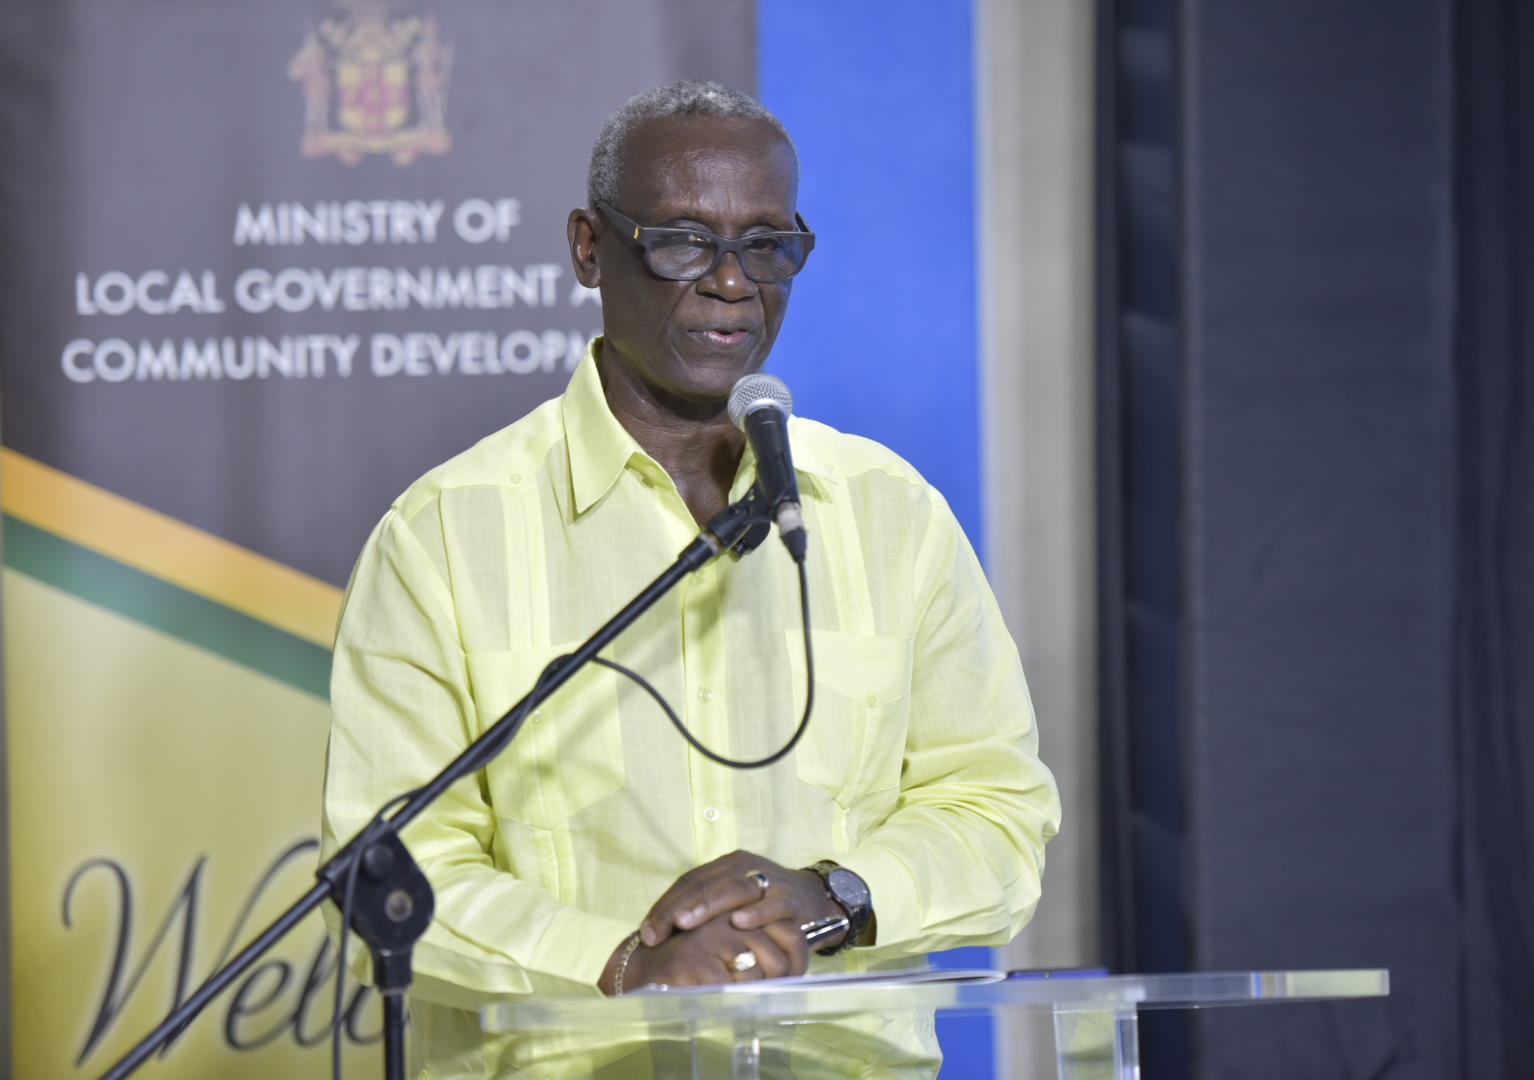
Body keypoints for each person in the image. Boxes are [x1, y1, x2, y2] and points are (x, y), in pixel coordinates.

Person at [321, 80, 1060, 1078]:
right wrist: (628, 964)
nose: (731, 283)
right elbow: (393, 873)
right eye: (681, 240)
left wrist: (834, 897)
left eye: (767, 246)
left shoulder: (891, 515)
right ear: (589, 248)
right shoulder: (443, 535)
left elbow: (998, 814)